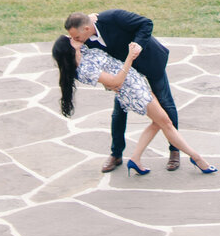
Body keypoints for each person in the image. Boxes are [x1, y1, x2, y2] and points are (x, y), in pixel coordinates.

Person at [51, 29, 216, 176]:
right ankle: (197, 158)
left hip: (136, 82)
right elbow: (116, 82)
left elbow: (89, 25)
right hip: (133, 91)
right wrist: (130, 57)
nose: (74, 37)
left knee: (158, 123)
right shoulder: (84, 69)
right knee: (166, 123)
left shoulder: (84, 51)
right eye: (70, 39)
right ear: (69, 49)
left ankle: (135, 159)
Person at [64, 9, 180, 172]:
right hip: (124, 76)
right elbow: (67, 45)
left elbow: (146, 23)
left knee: (165, 102)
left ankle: (175, 150)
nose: (75, 40)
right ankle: (116, 154)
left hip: (149, 61)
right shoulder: (84, 37)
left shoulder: (113, 17)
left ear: (87, 28)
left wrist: (138, 45)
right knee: (118, 113)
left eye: (76, 37)